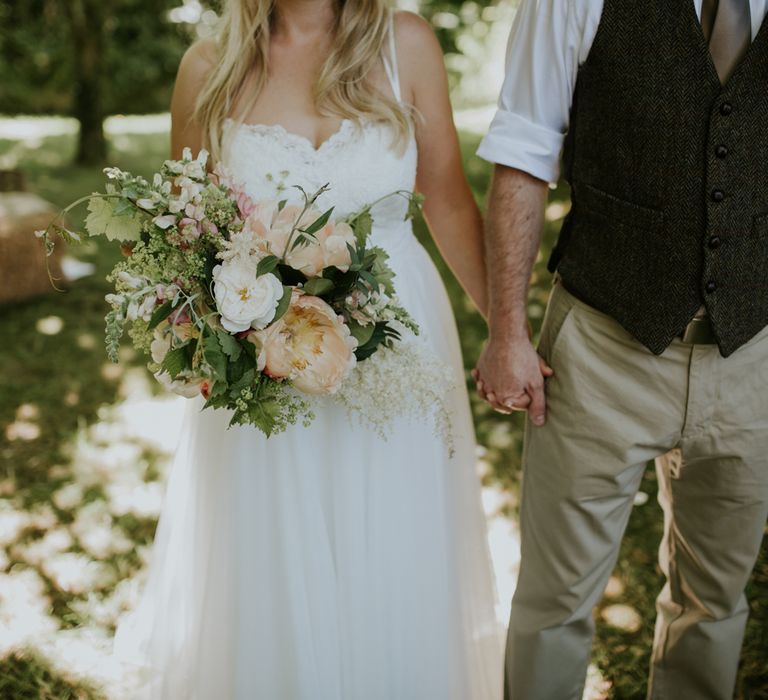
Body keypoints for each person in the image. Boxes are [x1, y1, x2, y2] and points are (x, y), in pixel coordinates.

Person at [113, 1, 503, 698]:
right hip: (264, 360)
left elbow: (445, 198)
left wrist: (509, 334)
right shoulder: (209, 67)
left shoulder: (404, 44)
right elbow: (186, 236)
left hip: (399, 347)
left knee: (393, 549)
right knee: (273, 563)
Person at [474, 0, 768, 698]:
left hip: (752, 350)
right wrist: (507, 332)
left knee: (715, 603)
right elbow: (523, 147)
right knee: (555, 605)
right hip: (603, 346)